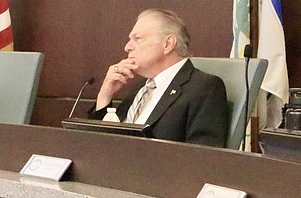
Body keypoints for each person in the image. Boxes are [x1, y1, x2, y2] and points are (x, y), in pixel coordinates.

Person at [90, 8, 228, 147]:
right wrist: (104, 96)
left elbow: (203, 155)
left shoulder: (203, 87)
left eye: (138, 39)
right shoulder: (141, 87)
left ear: (168, 44)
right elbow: (106, 143)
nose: (127, 47)